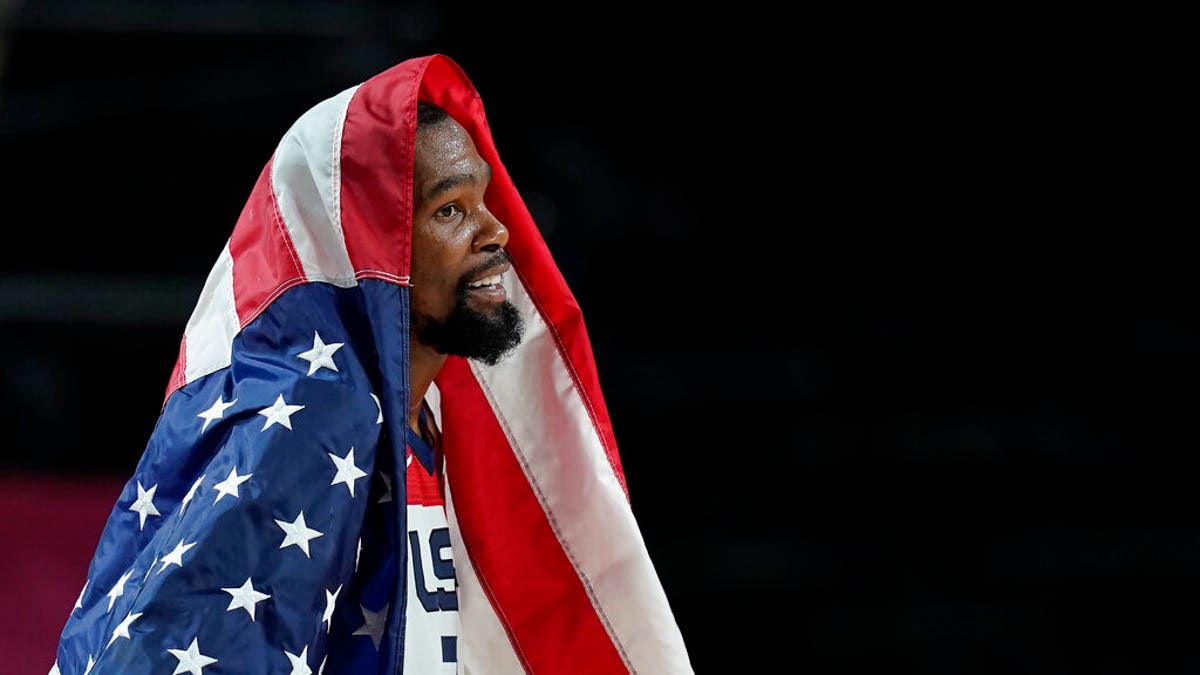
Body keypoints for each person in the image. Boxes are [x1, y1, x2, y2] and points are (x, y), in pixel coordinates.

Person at [50, 54, 693, 674]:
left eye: (483, 201)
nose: (495, 231)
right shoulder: (312, 424)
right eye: (450, 210)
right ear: (373, 246)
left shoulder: (426, 423)